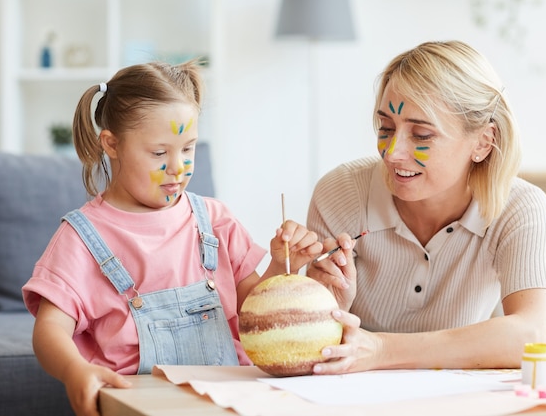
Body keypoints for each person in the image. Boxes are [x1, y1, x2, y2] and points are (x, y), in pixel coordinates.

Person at [22, 60, 322, 416]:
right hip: (139, 403)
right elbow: (50, 329)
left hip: (229, 398)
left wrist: (282, 265)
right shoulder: (81, 237)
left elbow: (252, 315)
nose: (178, 167)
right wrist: (76, 371)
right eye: (160, 153)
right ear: (112, 144)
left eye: (189, 148)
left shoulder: (214, 221)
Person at [306, 40, 546, 374]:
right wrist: (326, 308)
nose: (392, 153)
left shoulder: (520, 207)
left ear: (483, 142)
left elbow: (531, 335)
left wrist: (382, 349)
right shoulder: (341, 192)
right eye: (386, 128)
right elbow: (310, 340)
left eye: (422, 134)